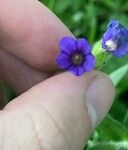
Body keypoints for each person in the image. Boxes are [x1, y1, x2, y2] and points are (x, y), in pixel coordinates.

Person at [0, 0, 115, 149]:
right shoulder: (71, 60)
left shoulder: (84, 59)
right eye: (76, 57)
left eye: (79, 57)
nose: (77, 58)